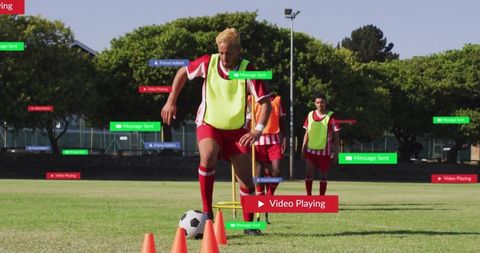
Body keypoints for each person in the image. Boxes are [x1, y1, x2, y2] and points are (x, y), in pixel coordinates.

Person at [161, 28, 272, 236]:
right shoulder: (208, 62)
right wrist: (171, 100)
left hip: (237, 131)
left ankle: (248, 226)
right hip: (209, 123)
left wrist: (257, 131)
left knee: (247, 181)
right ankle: (207, 213)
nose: (223, 57)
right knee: (208, 155)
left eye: (228, 52)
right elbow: (183, 72)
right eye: (221, 52)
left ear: (238, 51)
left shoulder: (249, 70)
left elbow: (266, 104)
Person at [248, 93, 286, 223]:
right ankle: (259, 214)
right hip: (257, 142)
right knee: (259, 175)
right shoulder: (251, 100)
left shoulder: (277, 100)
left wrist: (285, 137)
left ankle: (269, 197)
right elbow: (248, 121)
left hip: (274, 141)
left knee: (277, 171)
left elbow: (282, 120)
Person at [301, 94, 340, 196]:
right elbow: (307, 133)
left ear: (326, 102)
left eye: (322, 102)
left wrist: (336, 153)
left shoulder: (331, 116)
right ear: (315, 103)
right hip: (310, 150)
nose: (320, 104)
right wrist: (303, 148)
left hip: (325, 151)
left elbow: (336, 136)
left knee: (323, 175)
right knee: (308, 172)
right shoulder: (310, 115)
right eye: (318, 102)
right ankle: (308, 197)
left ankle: (321, 199)